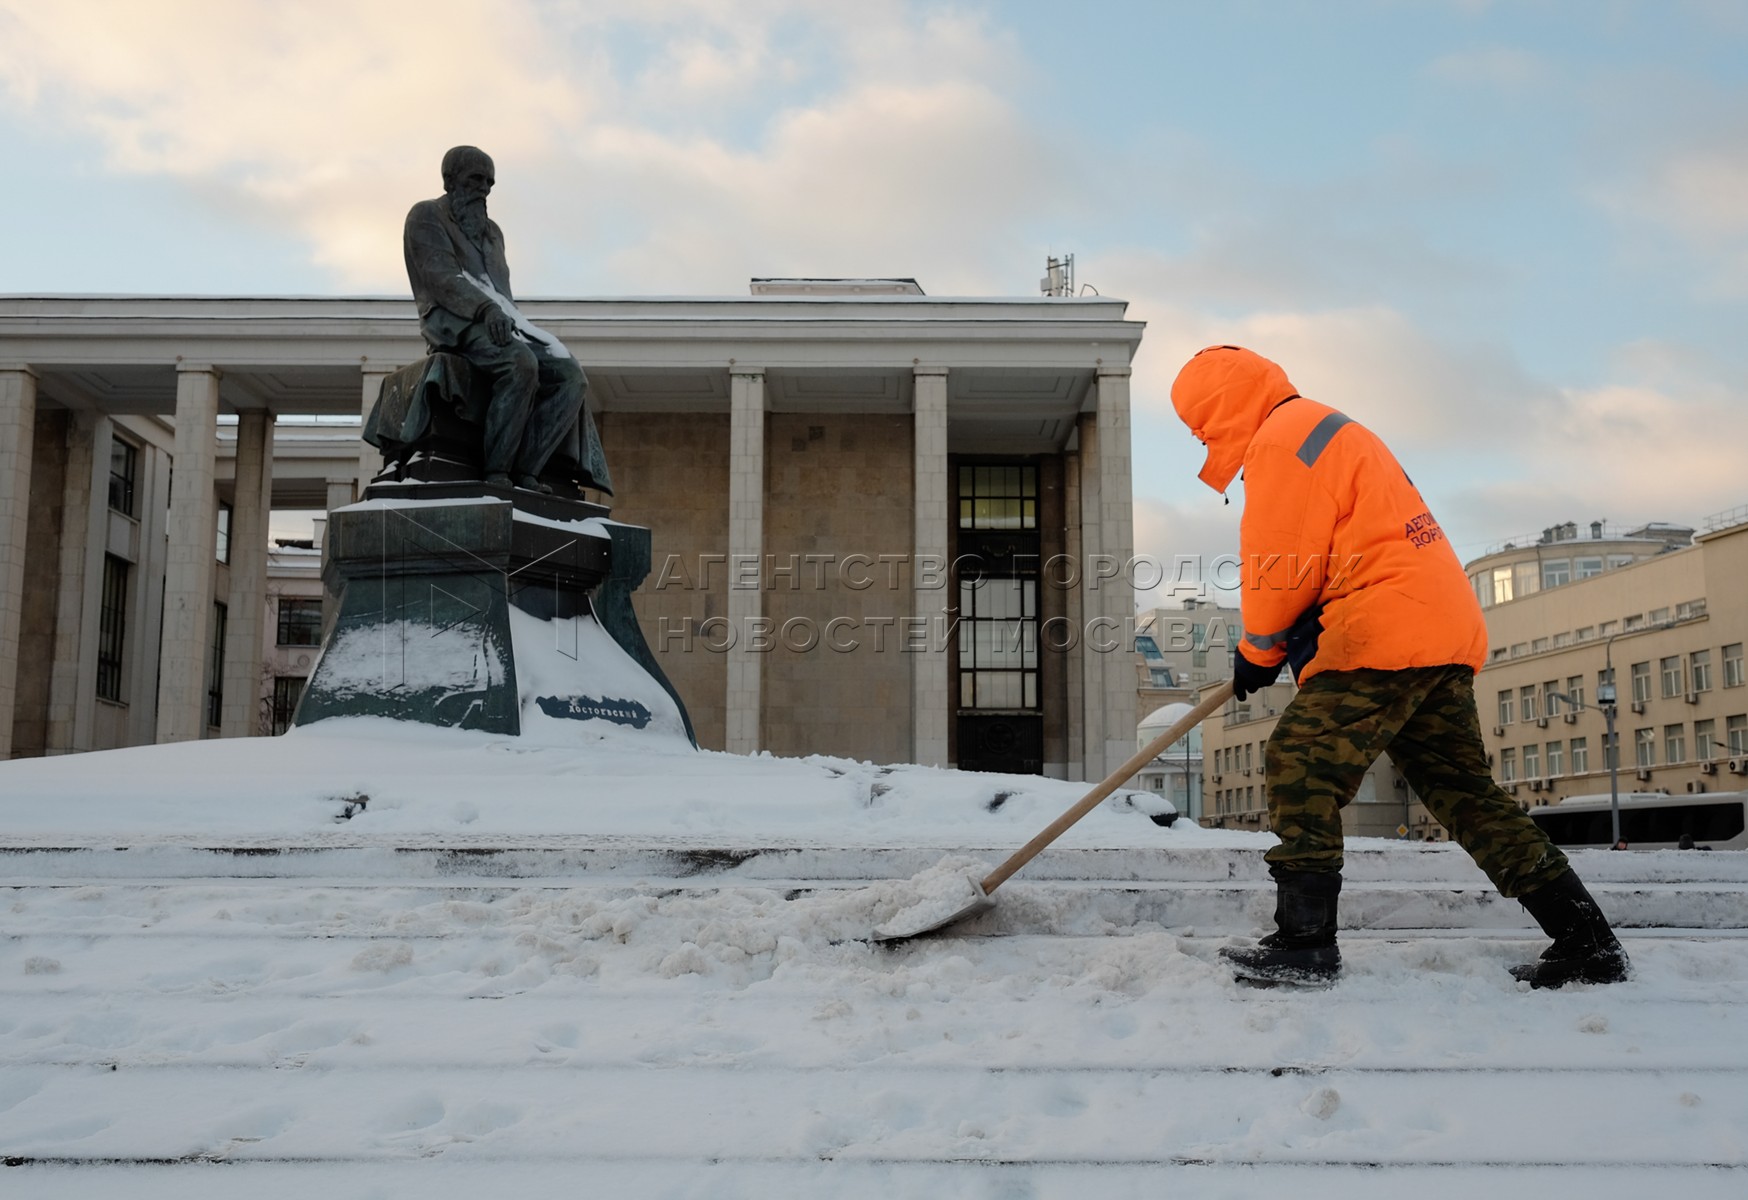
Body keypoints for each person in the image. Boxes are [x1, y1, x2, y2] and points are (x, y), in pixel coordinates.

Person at [1171, 345, 1629, 990]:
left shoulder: (1282, 440)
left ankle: (1304, 944)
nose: (1200, 439)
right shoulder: (1330, 427)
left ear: (1218, 410)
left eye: (1199, 425)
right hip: (1439, 626)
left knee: (1299, 762)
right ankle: (1587, 939)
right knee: (1465, 794)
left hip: (1381, 626)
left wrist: (1256, 650)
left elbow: (1280, 559)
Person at [403, 145, 590, 491]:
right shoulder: (426, 216)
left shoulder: (493, 233)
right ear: (449, 180)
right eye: (476, 179)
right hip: (453, 320)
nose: (485, 188)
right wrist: (485, 310)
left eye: (490, 181)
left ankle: (528, 469)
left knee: (570, 375)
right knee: (519, 363)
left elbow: (502, 293)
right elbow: (442, 277)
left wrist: (517, 324)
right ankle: (497, 471)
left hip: (500, 321)